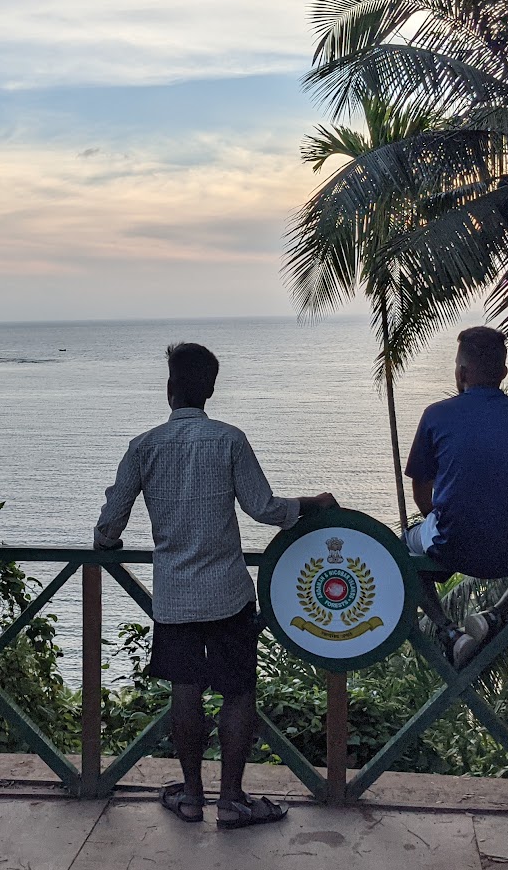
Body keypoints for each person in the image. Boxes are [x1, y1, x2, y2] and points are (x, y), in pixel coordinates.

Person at [95, 342, 337, 829]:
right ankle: (231, 801)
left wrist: (105, 543)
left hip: (175, 597)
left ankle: (189, 797)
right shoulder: (230, 440)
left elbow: (109, 525)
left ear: (170, 390)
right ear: (209, 388)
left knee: (184, 691)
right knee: (239, 694)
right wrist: (313, 502)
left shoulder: (142, 447)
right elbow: (264, 508)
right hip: (228, 593)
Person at [403, 326, 508, 668]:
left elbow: (421, 495)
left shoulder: (436, 415)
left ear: (461, 372)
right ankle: (495, 615)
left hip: (453, 547)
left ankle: (449, 632)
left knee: (402, 553)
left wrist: (454, 519)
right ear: (504, 373)